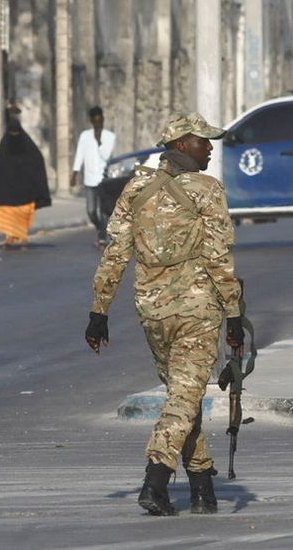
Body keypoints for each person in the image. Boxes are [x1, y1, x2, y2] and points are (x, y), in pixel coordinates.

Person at [84, 112, 245, 517]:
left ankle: (203, 484)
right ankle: (155, 477)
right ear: (179, 145)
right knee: (184, 397)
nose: (210, 147)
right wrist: (235, 315)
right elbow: (218, 257)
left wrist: (99, 311)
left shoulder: (135, 188)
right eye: (202, 141)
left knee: (183, 396)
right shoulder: (208, 190)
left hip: (153, 312)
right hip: (197, 311)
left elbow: (115, 252)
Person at [0, 116, 52, 248]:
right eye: (12, 134)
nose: (14, 136)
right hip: (7, 189)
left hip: (25, 190)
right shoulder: (5, 145)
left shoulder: (28, 146)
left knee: (22, 213)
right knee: (6, 211)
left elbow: (37, 160)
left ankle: (23, 239)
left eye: (16, 133)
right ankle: (8, 238)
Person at [73, 105, 118, 247]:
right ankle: (100, 229)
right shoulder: (84, 136)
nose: (98, 124)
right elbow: (79, 154)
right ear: (92, 121)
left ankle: (103, 236)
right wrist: (74, 172)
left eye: (100, 121)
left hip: (104, 179)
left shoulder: (110, 136)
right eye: (95, 121)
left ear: (103, 120)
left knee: (104, 211)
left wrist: (99, 141)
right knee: (91, 211)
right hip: (89, 179)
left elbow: (106, 155)